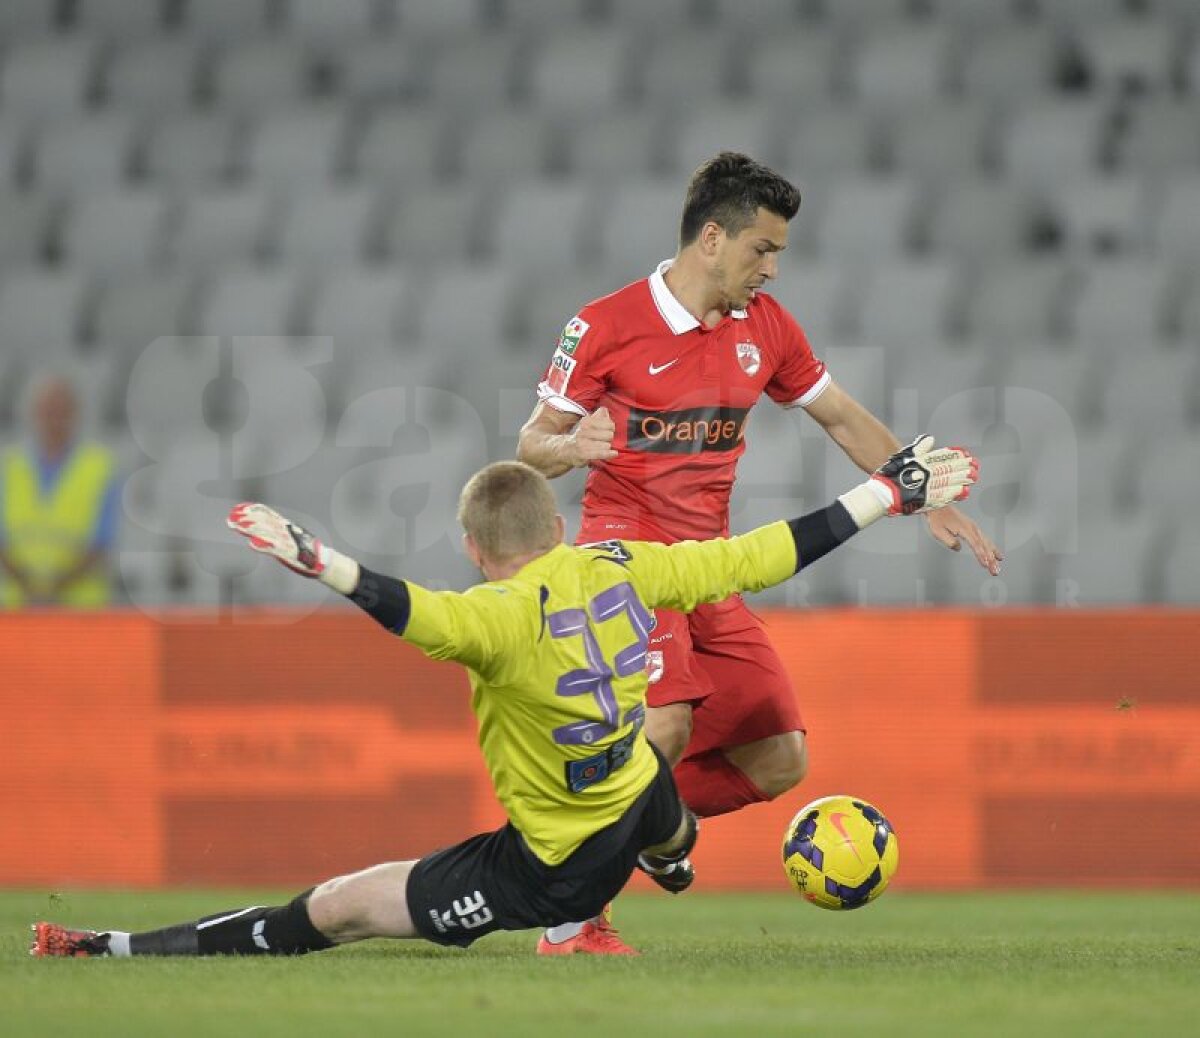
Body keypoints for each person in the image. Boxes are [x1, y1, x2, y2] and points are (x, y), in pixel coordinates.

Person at [31, 439, 976, 959]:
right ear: (557, 525)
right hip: (636, 793)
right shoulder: (625, 565)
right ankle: (674, 848)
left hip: (553, 869)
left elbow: (411, 611)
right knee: (655, 786)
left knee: (335, 910)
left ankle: (111, 949)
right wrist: (884, 493)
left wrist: (322, 563)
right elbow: (760, 555)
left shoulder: (493, 617)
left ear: (476, 550)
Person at [517, 151, 1002, 953]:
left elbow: (839, 415)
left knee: (780, 758)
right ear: (712, 238)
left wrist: (925, 496)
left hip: (710, 566)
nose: (772, 268)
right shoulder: (602, 325)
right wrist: (571, 448)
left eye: (778, 252)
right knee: (664, 726)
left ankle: (645, 827)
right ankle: (572, 920)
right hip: (625, 558)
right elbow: (530, 446)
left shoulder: (766, 327)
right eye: (762, 249)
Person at [0, 373, 120, 608]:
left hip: (80, 610)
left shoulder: (100, 468)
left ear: (75, 414)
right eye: (48, 410)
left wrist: (49, 591)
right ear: (34, 414)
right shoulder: (8, 467)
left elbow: (101, 544)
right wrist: (33, 590)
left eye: (61, 410)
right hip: (16, 609)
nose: (54, 419)